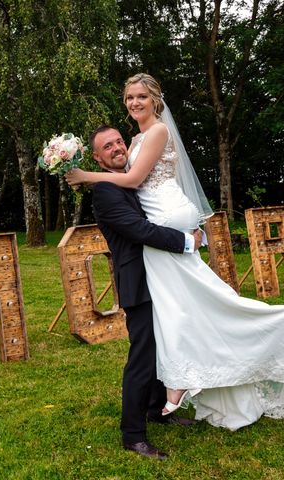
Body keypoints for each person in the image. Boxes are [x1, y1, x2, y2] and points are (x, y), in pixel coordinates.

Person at [66, 73, 284, 430]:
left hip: (168, 234)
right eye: (129, 97)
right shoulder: (135, 141)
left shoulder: (155, 133)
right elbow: (131, 199)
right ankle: (158, 405)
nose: (134, 103)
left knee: (193, 311)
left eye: (141, 96)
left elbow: (131, 180)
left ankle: (175, 389)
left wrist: (84, 174)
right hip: (155, 248)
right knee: (185, 316)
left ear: (155, 99)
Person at [84, 125, 204, 460]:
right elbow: (140, 230)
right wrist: (185, 243)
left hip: (161, 277)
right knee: (142, 357)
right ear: (97, 158)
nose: (117, 148)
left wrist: (192, 228)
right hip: (138, 280)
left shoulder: (133, 180)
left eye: (120, 141)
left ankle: (155, 409)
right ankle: (132, 435)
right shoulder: (107, 190)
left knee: (161, 345)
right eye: (108, 147)